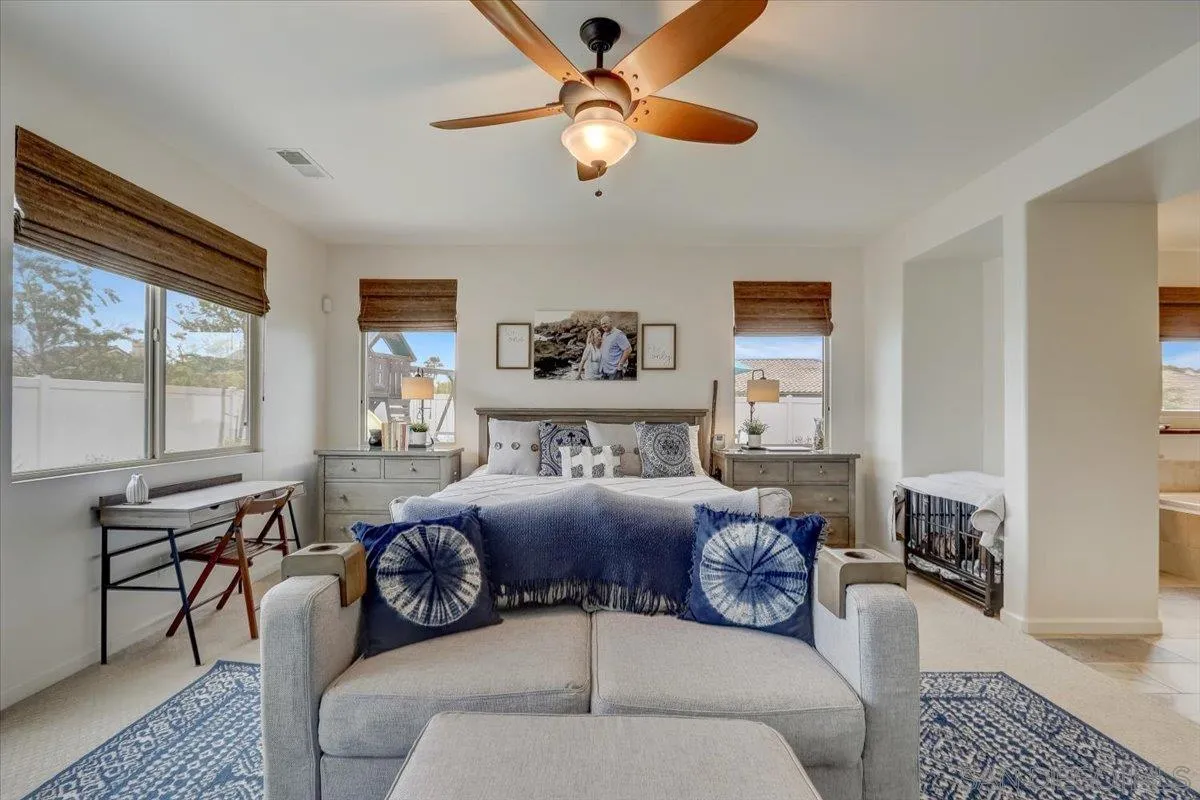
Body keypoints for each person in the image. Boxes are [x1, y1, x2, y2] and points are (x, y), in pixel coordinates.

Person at [597, 315, 631, 380]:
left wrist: (620, 367)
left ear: (610, 322)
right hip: (605, 370)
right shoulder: (604, 334)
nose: (603, 326)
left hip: (615, 371)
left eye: (605, 323)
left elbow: (628, 349)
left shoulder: (618, 334)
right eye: (602, 324)